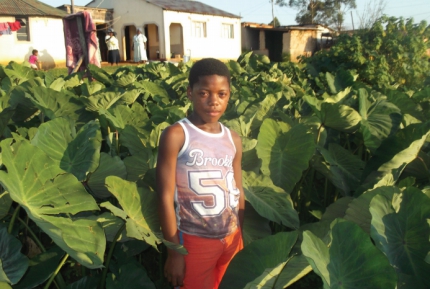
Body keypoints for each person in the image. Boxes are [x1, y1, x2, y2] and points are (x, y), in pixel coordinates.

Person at [156, 58, 245, 289]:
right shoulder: (177, 135)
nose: (213, 101)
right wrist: (174, 252)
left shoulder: (233, 138)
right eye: (204, 93)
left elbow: (238, 189)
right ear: (190, 92)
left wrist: (239, 234)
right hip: (193, 241)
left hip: (231, 238)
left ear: (229, 95)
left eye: (222, 94)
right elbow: (165, 197)